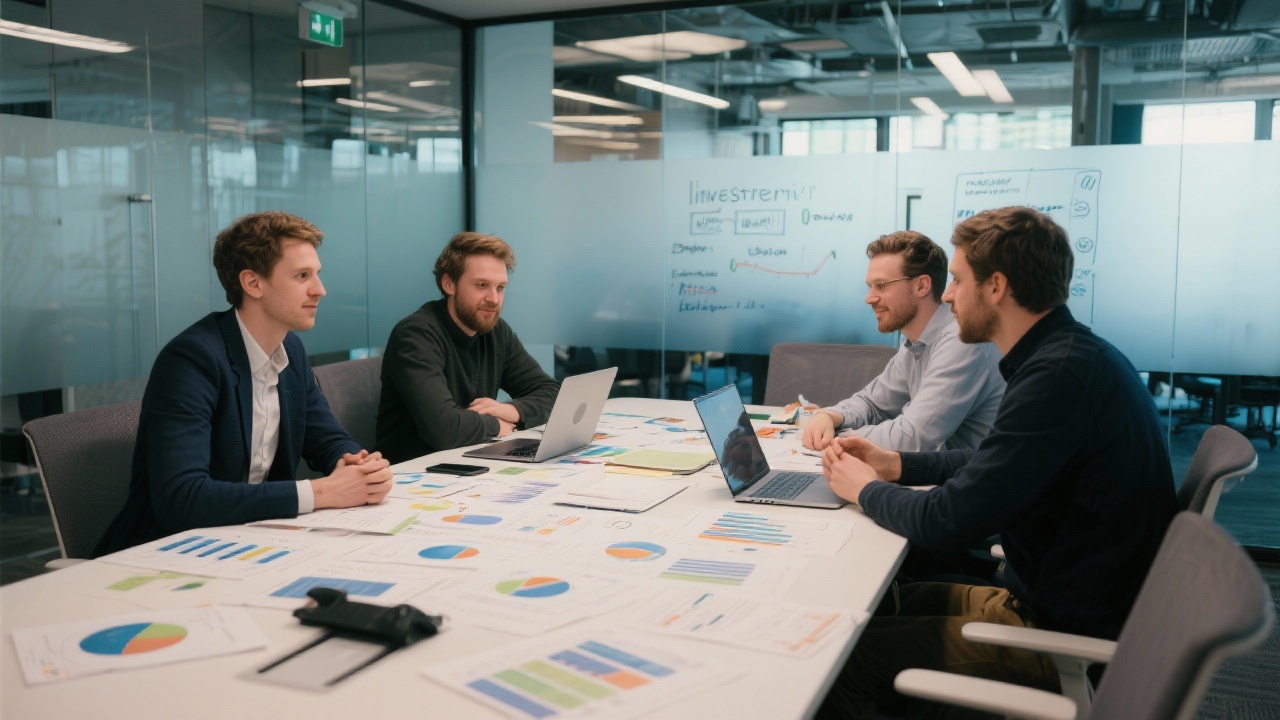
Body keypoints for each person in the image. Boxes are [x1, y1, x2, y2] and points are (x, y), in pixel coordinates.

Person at [815, 207, 1177, 719]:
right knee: (871, 608)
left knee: (839, 659)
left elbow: (946, 521)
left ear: (996, 287)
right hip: (1053, 597)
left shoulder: (1056, 380)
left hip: (1057, 633)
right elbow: (991, 459)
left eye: (957, 280)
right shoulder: (1067, 357)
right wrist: (896, 464)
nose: (946, 295)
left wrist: (865, 489)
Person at [97, 212, 392, 555]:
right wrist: (323, 492)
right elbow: (182, 497)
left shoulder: (290, 350)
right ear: (253, 283)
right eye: (302, 276)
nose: (319, 289)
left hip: (251, 541)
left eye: (316, 274)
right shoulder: (193, 360)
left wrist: (355, 465)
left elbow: (325, 437)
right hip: (165, 552)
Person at [802, 231, 1004, 453]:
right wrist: (831, 416)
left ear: (921, 286)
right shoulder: (914, 339)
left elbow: (912, 437)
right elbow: (875, 403)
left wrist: (836, 437)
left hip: (972, 473)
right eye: (870, 286)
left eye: (882, 286)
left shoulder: (962, 340)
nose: (869, 298)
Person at [376, 232, 559, 463]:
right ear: (449, 284)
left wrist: (511, 410)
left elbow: (551, 392)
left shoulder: (496, 331)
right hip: (416, 470)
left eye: (500, 287)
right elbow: (445, 429)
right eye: (482, 285)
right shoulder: (415, 335)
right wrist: (496, 425)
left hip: (471, 459)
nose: (494, 299)